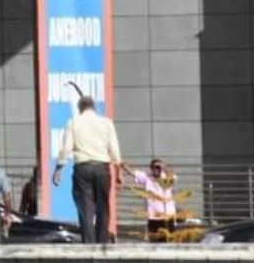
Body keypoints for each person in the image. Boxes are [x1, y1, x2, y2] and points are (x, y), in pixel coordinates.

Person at [53, 95, 122, 244]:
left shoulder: (73, 123)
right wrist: (118, 172)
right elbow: (114, 149)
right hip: (102, 168)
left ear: (79, 108)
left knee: (86, 210)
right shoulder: (106, 123)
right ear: (94, 107)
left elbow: (66, 148)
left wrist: (59, 168)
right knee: (103, 208)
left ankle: (89, 245)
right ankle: (102, 242)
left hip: (83, 169)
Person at [123, 158, 177, 243]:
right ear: (151, 168)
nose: (157, 169)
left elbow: (171, 174)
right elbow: (131, 172)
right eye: (155, 167)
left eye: (159, 167)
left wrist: (164, 167)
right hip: (153, 218)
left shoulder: (166, 177)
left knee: (169, 241)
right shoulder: (147, 178)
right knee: (154, 242)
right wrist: (121, 162)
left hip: (167, 217)